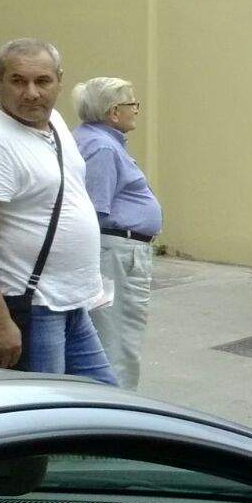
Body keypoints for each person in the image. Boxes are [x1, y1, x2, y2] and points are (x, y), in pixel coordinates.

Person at [0, 39, 116, 381]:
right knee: (47, 418)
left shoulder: (52, 120)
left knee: (104, 399)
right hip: (30, 309)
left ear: (59, 80)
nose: (31, 93)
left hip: (69, 304)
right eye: (17, 81)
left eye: (42, 81)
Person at [72, 77, 162, 389]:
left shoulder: (97, 141)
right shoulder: (101, 147)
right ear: (113, 112)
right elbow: (94, 211)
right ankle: (119, 412)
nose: (136, 110)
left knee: (112, 337)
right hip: (114, 253)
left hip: (115, 251)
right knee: (119, 341)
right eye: (132, 104)